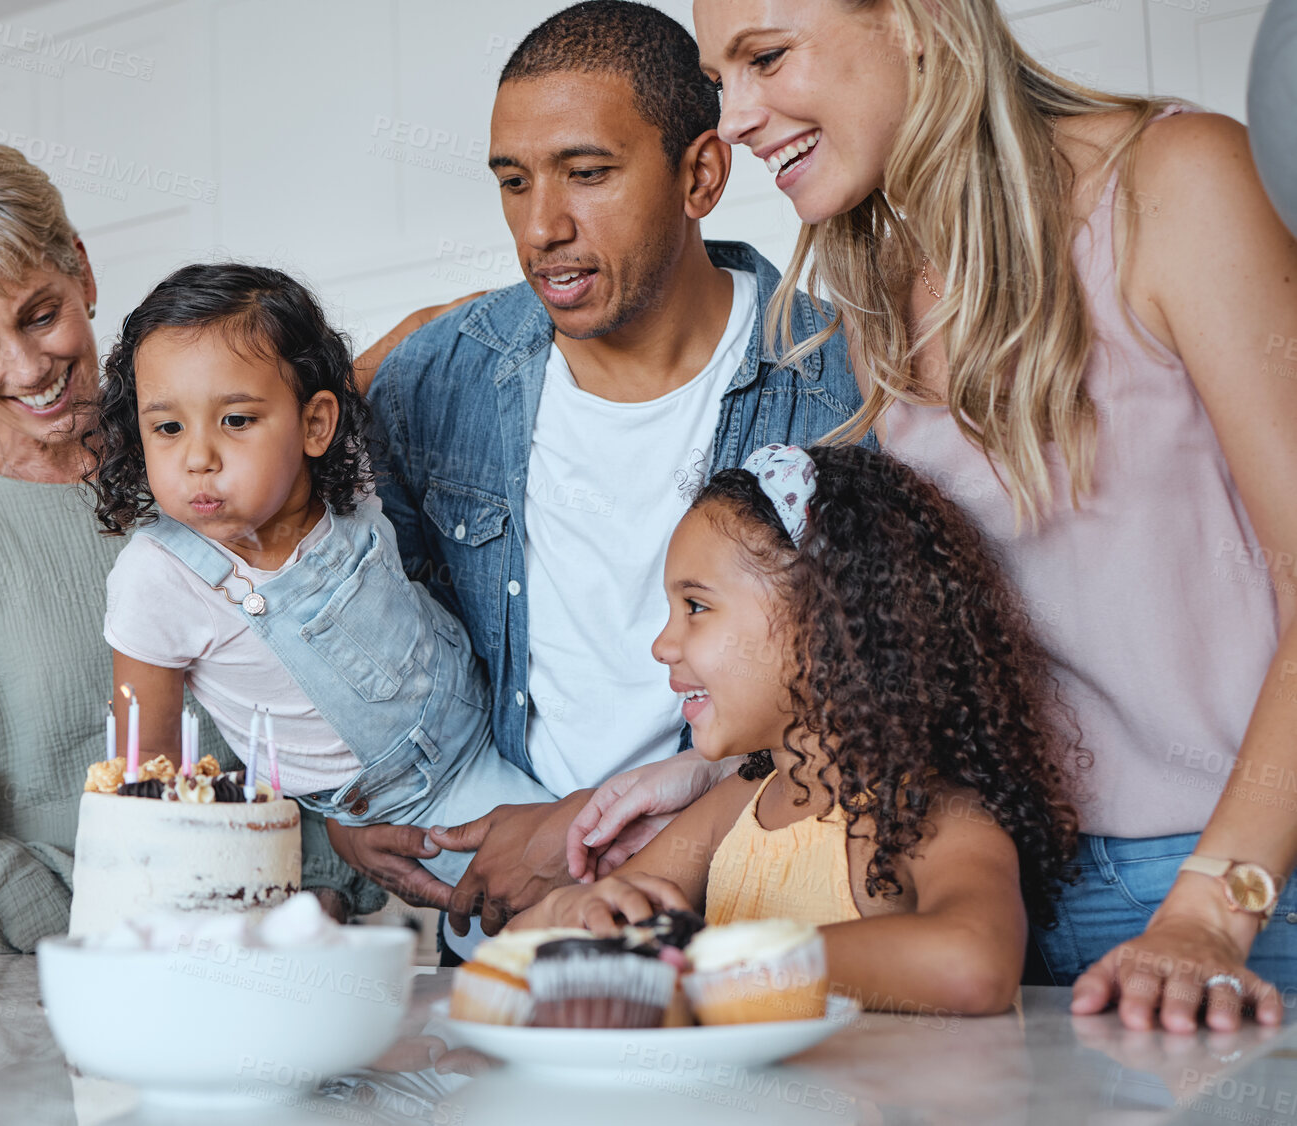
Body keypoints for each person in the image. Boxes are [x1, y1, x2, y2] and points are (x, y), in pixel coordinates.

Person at [656, 0, 1297, 1031]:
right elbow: (931, 663)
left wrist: (1213, 912)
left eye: (766, 58)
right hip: (1027, 905)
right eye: (718, 80)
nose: (732, 118)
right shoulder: (884, 298)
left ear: (913, 19)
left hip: (1243, 896)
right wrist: (694, 775)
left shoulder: (1174, 180)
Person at [329, 0, 870, 948]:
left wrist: (574, 834)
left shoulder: (843, 390)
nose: (542, 226)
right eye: (513, 181)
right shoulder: (440, 375)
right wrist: (347, 796)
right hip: (505, 939)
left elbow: (882, 714)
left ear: (700, 173)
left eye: (589, 173)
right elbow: (371, 617)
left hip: (751, 937)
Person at [0, 143, 380, 954]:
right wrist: (119, 940)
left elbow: (343, 692)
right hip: (43, 956)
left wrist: (316, 892)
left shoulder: (221, 456)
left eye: (41, 315)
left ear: (84, 273)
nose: (29, 369)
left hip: (281, 926)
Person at [514, 443, 1081, 1015]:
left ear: (821, 621)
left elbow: (975, 967)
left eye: (696, 606)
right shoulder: (733, 810)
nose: (662, 645)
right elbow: (520, 956)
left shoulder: (932, 818)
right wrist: (565, 914)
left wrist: (727, 959)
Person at [89, 263, 555, 887]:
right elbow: (148, 769)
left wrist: (531, 299)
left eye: (236, 421)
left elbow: (415, 333)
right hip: (413, 806)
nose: (198, 458)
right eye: (168, 427)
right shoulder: (158, 578)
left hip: (498, 711)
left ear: (315, 425)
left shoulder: (347, 475)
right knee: (569, 894)